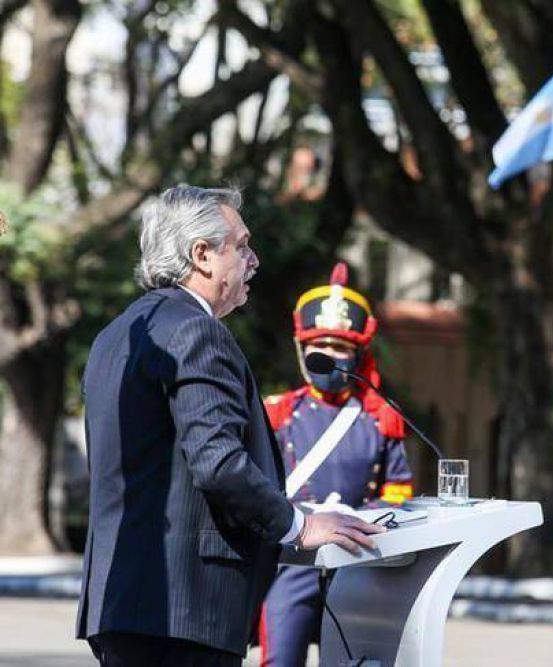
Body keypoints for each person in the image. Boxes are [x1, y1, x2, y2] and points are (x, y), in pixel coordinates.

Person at [77, 185, 384, 666]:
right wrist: (299, 525)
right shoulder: (196, 331)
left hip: (124, 603)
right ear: (201, 255)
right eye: (241, 246)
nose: (254, 260)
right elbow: (218, 463)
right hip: (184, 610)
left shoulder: (117, 334)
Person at [258, 263, 414, 666]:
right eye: (320, 345)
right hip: (292, 560)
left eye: (341, 347)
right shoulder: (277, 414)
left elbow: (398, 491)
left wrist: (363, 518)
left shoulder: (382, 418)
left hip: (357, 564)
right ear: (302, 349)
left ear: (358, 355)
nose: (329, 356)